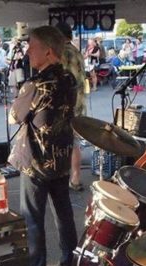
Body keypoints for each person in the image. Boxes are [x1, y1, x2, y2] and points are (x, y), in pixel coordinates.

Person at [8, 25, 78, 266]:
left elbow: (15, 116)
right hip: (61, 159)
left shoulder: (35, 85)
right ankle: (71, 265)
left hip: (36, 162)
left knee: (33, 220)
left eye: (32, 47)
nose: (27, 52)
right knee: (64, 214)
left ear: (48, 51)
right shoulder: (69, 79)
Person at [56, 22, 86, 192]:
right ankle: (75, 178)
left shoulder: (63, 52)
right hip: (79, 103)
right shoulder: (76, 51)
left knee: (64, 143)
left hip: (67, 104)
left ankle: (63, 177)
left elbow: (60, 80)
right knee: (75, 142)